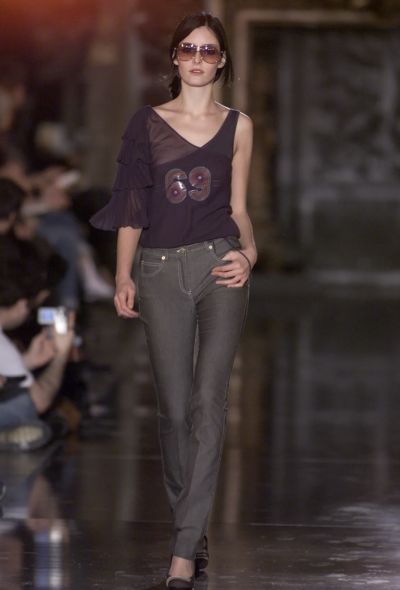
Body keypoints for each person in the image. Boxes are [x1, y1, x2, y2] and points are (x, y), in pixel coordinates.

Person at [90, 11, 257, 590]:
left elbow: (239, 209)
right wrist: (123, 274)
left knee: (210, 402)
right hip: (159, 270)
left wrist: (250, 253)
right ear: (174, 57)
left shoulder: (239, 126)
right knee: (175, 410)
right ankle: (192, 526)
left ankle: (183, 552)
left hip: (221, 265)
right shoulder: (146, 123)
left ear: (222, 61)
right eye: (188, 48)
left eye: (208, 50)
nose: (197, 58)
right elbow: (132, 205)